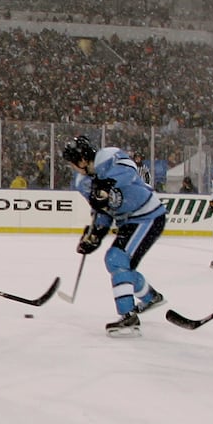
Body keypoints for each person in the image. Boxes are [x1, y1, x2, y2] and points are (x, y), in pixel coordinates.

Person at [62, 134, 167, 336]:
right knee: (121, 265)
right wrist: (96, 234)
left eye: (72, 163)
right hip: (129, 221)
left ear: (82, 160)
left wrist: (107, 183)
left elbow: (129, 170)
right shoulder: (83, 182)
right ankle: (150, 297)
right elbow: (102, 210)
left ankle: (128, 317)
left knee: (116, 259)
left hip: (148, 216)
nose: (72, 168)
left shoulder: (108, 156)